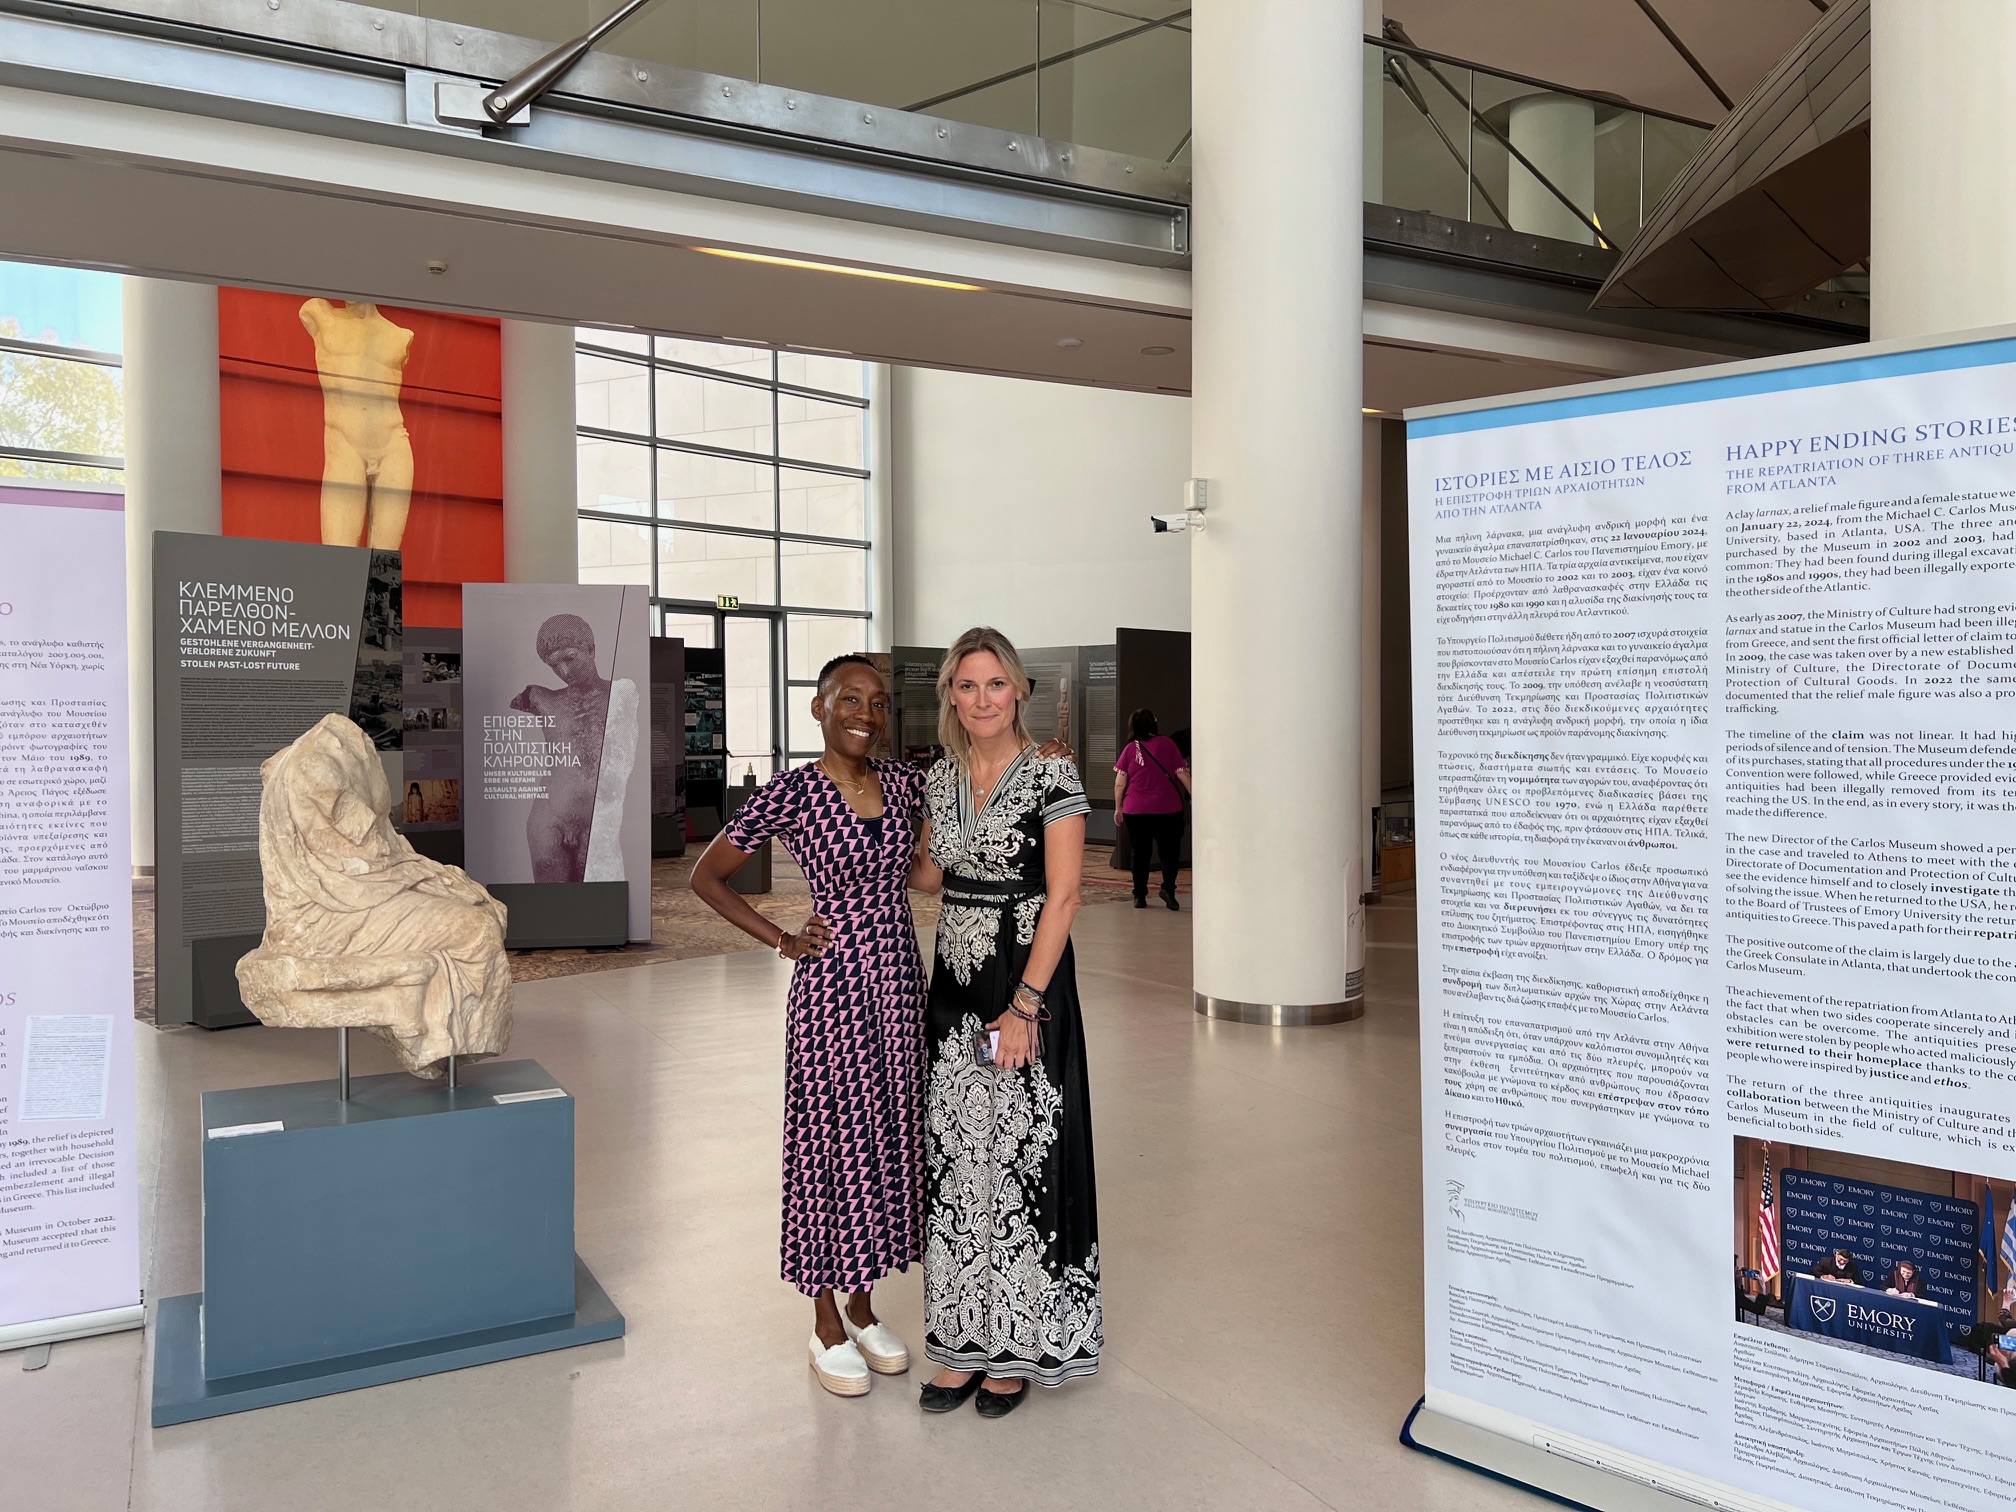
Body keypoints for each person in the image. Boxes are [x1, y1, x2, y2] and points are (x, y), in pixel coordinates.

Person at [689, 655, 927, 1399]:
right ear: (819, 709)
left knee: (889, 1137)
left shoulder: (906, 784)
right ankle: (824, 1318)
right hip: (832, 992)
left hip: (897, 981)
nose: (867, 712)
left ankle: (864, 1305)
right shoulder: (791, 793)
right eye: (850, 699)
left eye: (879, 702)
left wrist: (1037, 745)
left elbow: (973, 787)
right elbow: (707, 875)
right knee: (831, 1143)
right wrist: (782, 939)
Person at [911, 626, 1102, 1418]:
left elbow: (1063, 895)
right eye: (967, 685)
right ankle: (960, 1341)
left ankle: (1018, 1346)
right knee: (958, 1157)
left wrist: (1024, 1007)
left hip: (1024, 981)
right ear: (951, 695)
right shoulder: (940, 775)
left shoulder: (1051, 771)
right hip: (953, 983)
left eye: (996, 684)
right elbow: (929, 873)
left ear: (1018, 689)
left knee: (1022, 1155)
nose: (982, 699)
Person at [510, 613, 638, 885]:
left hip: (598, 818)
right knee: (552, 906)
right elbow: (518, 700)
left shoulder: (621, 694)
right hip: (548, 819)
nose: (564, 672)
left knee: (598, 904)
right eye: (554, 665)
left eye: (569, 658)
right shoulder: (541, 698)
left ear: (590, 649)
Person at [1112, 708, 1191, 910]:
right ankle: (1168, 890)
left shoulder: (1130, 748)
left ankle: (1139, 895)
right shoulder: (1167, 744)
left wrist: (1118, 807)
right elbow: (1182, 773)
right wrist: (1197, 797)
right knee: (1169, 853)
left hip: (1136, 810)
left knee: (1140, 853)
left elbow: (1120, 782)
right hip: (1168, 809)